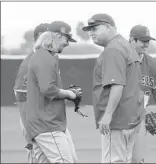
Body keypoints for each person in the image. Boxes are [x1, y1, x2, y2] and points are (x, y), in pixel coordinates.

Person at [82, 13, 145, 163]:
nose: (91, 33)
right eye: (90, 29)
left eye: (95, 28)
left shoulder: (113, 49)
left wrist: (108, 115)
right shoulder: (125, 45)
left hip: (117, 120)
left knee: (114, 161)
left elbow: (117, 85)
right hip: (131, 118)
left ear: (108, 27)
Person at [25, 21, 78, 163]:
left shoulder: (47, 56)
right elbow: (48, 89)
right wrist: (68, 94)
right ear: (57, 36)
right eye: (67, 39)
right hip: (47, 125)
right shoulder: (44, 58)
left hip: (46, 124)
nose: (67, 43)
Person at [129, 25, 156, 163]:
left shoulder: (152, 64)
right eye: (143, 41)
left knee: (136, 159)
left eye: (148, 41)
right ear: (131, 40)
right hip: (118, 119)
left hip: (139, 119)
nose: (146, 44)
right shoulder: (119, 60)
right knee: (117, 159)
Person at [13, 23, 50, 163]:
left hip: (48, 122)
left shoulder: (50, 59)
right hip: (34, 123)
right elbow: (22, 100)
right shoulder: (29, 64)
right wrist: (29, 134)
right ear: (41, 39)